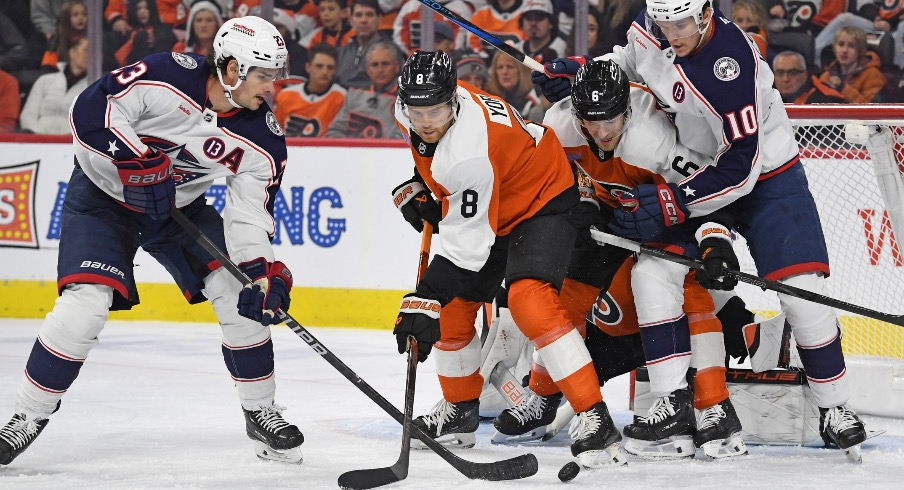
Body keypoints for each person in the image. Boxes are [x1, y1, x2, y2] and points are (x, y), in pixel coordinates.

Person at [535, 0, 869, 458]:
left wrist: (676, 203)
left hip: (764, 178)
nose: (672, 34)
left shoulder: (731, 68)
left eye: (682, 24)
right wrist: (585, 71)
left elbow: (741, 167)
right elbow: (630, 57)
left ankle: (836, 407)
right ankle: (672, 401)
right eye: (664, 23)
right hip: (688, 170)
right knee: (653, 272)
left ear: (707, 14)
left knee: (800, 290)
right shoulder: (654, 25)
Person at [0, 16, 304, 466]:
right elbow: (90, 110)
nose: (271, 89)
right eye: (264, 76)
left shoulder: (263, 139)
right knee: (85, 304)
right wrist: (135, 158)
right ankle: (27, 415)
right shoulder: (168, 74)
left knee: (241, 292)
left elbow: (249, 217)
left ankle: (261, 409)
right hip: (103, 196)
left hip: (176, 211)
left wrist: (262, 271)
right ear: (234, 68)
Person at [390, 50, 624, 469]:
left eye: (437, 110)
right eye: (417, 110)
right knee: (456, 307)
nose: (426, 121)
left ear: (454, 100)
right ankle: (460, 411)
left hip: (541, 195)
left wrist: (423, 299)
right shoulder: (419, 111)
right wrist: (421, 183)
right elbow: (433, 156)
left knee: (529, 302)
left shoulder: (470, 151)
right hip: (496, 193)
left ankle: (595, 417)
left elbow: (466, 251)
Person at [511, 59, 746, 459]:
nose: (601, 133)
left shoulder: (655, 137)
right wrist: (578, 203)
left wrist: (715, 240)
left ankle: (713, 405)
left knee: (674, 282)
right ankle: (544, 393)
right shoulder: (561, 123)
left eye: (611, 121)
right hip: (609, 216)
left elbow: (708, 193)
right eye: (591, 122)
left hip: (672, 214)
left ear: (629, 109)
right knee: (566, 292)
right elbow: (551, 178)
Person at [327, 40, 403, 138]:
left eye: (385, 64)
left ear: (396, 67)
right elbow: (335, 130)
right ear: (368, 69)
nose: (380, 70)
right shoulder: (353, 94)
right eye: (374, 65)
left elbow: (400, 140)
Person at [275, 43, 346, 137]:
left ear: (335, 70)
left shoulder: (341, 97)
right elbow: (273, 132)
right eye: (319, 66)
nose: (325, 72)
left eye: (330, 67)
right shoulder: (286, 95)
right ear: (308, 67)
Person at [20, 37, 89, 134]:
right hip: (38, 140)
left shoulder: (96, 88)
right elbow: (28, 114)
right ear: (72, 53)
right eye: (86, 50)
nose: (91, 56)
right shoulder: (45, 80)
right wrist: (40, 136)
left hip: (71, 143)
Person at [819, 26, 887, 103]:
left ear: (860, 50)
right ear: (834, 48)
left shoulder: (873, 75)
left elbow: (872, 111)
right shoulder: (826, 77)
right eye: (841, 45)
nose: (844, 50)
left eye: (851, 46)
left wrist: (842, 88)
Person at [485, 50, 544, 121]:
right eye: (500, 67)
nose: (504, 72)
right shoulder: (488, 99)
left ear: (521, 71)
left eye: (510, 67)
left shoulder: (534, 101)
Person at [773, 50, 844, 104]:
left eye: (792, 73)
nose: (785, 79)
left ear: (805, 75)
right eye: (780, 73)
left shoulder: (822, 102)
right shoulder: (766, 98)